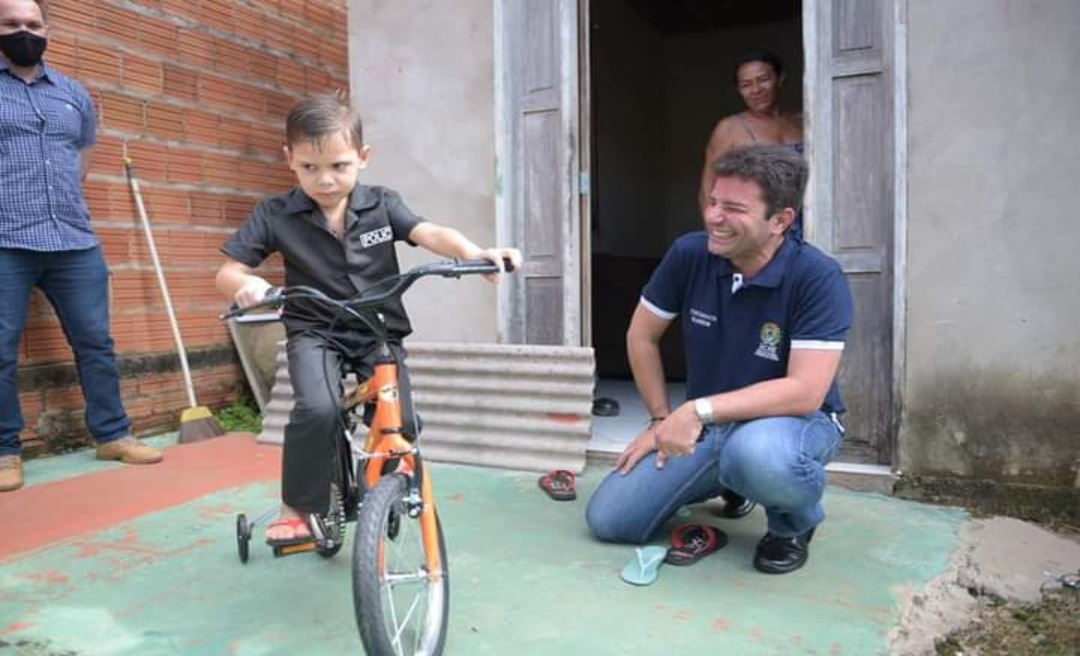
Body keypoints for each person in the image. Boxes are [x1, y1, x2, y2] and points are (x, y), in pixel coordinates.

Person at [216, 93, 522, 545]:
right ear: (290, 161)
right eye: (309, 168)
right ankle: (297, 508)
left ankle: (379, 489)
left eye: (339, 166)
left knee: (403, 423)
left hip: (378, 331)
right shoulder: (275, 215)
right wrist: (247, 286)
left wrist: (475, 253)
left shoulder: (382, 205)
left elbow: (429, 232)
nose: (324, 180)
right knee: (317, 410)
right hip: (315, 331)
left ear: (363, 157)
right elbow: (228, 271)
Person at [586, 145, 853, 575]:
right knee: (612, 520)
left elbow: (805, 392)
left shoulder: (816, 276)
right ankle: (733, 480)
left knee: (759, 455)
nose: (713, 217)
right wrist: (659, 420)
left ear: (780, 220)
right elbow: (641, 335)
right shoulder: (690, 256)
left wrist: (696, 409)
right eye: (712, 201)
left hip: (797, 424)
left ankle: (792, 525)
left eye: (733, 208)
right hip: (711, 428)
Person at [0, 0, 163, 493]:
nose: (24, 32)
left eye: (33, 24)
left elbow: (84, 155)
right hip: (6, 239)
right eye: (12, 24)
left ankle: (113, 435)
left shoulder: (73, 93)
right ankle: (6, 450)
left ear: (47, 29)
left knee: (96, 341)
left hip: (73, 239)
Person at [700, 51, 804, 238]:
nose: (756, 90)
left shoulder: (802, 123)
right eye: (746, 85)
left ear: (780, 79)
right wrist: (717, 235)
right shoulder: (730, 128)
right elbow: (709, 184)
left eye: (763, 79)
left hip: (808, 224)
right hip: (757, 229)